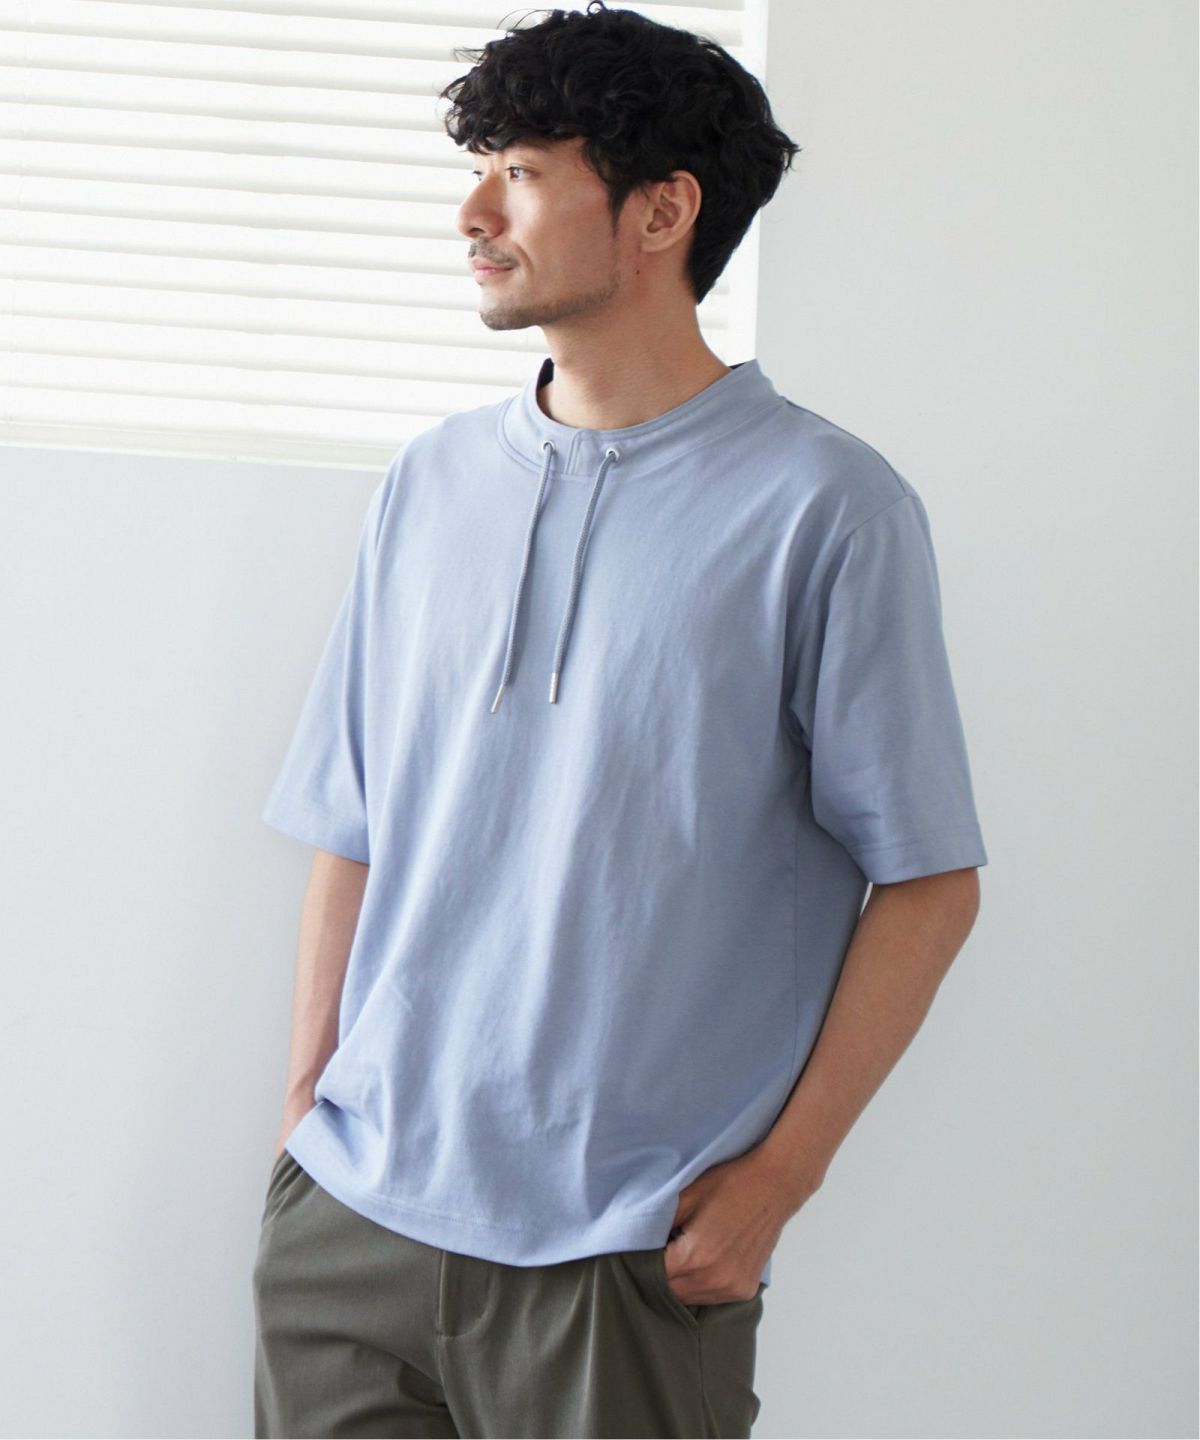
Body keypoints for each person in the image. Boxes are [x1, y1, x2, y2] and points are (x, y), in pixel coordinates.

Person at [251, 4, 988, 1436]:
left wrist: (782, 1179)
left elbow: (928, 880)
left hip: (626, 1252)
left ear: (663, 212)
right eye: (480, 170)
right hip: (352, 1223)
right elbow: (352, 816)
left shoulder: (828, 510)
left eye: (523, 174)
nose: (474, 213)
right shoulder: (429, 482)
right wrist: (303, 1113)